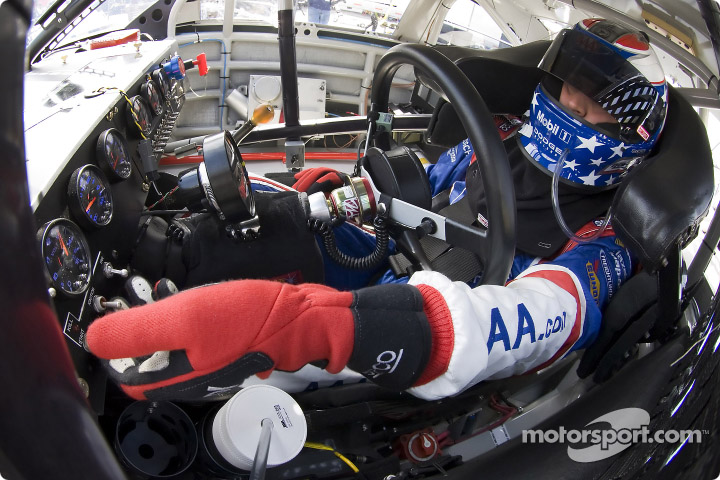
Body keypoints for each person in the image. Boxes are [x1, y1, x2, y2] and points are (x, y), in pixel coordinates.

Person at [85, 19, 668, 402]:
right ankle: (153, 278)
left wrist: (333, 326)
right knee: (262, 224)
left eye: (596, 102)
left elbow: (542, 316)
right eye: (569, 85)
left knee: (263, 363)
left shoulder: (604, 238)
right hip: (384, 255)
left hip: (415, 334)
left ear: (633, 127)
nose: (572, 101)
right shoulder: (503, 138)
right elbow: (417, 188)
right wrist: (336, 192)